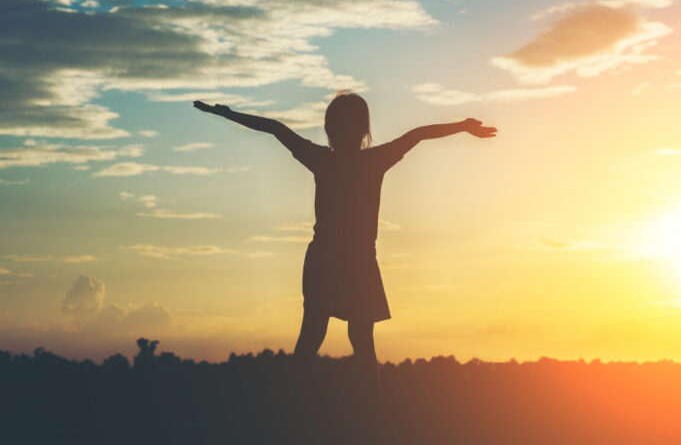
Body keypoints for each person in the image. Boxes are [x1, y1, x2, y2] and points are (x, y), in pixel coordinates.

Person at [193, 91, 496, 432]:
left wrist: (227, 114)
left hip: (330, 260)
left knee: (314, 338)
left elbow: (275, 128)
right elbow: (418, 135)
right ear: (363, 128)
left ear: (330, 128)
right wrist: (463, 126)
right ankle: (367, 420)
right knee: (358, 342)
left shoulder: (323, 159)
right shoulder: (372, 160)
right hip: (353, 262)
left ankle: (299, 416)